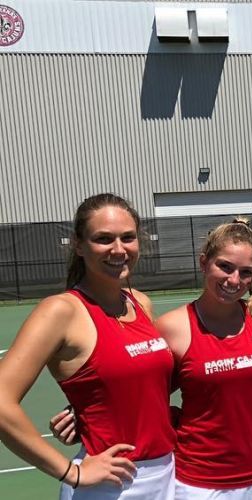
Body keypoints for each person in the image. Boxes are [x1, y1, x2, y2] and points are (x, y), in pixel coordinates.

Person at [0, 193, 176, 499]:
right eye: (103, 239)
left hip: (165, 474)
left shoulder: (140, 303)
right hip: (108, 486)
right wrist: (72, 472)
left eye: (128, 237)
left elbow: (143, 382)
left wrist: (93, 406)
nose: (119, 249)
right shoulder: (61, 311)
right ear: (79, 245)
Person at [156, 217, 252, 499]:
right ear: (204, 263)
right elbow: (140, 392)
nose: (234, 280)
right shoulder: (173, 327)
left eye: (245, 272)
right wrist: (80, 413)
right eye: (224, 267)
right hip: (200, 483)